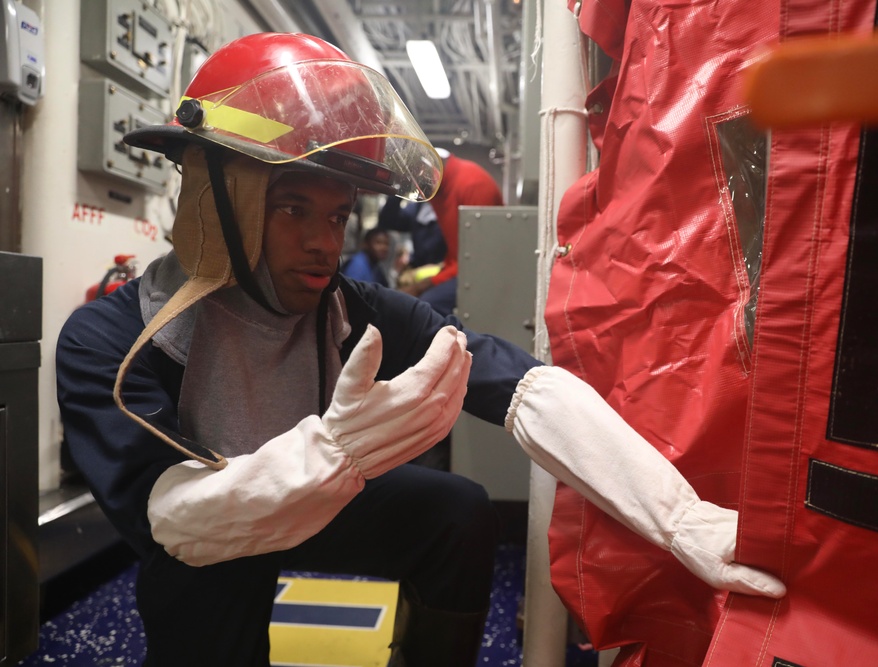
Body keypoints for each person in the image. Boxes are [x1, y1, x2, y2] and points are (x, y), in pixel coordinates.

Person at [55, 33, 785, 667]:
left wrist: (679, 514)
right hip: (211, 539)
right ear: (220, 200)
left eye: (337, 214)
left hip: (317, 498)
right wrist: (329, 454)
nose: (323, 242)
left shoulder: (349, 307)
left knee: (458, 512)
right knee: (202, 581)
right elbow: (175, 519)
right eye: (291, 209)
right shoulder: (114, 341)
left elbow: (519, 382)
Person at [397, 148, 503, 316]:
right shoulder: (436, 188)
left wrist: (424, 285)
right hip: (461, 268)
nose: (416, 188)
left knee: (427, 307)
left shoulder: (472, 184)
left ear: (425, 169)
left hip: (480, 272)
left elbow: (479, 260)